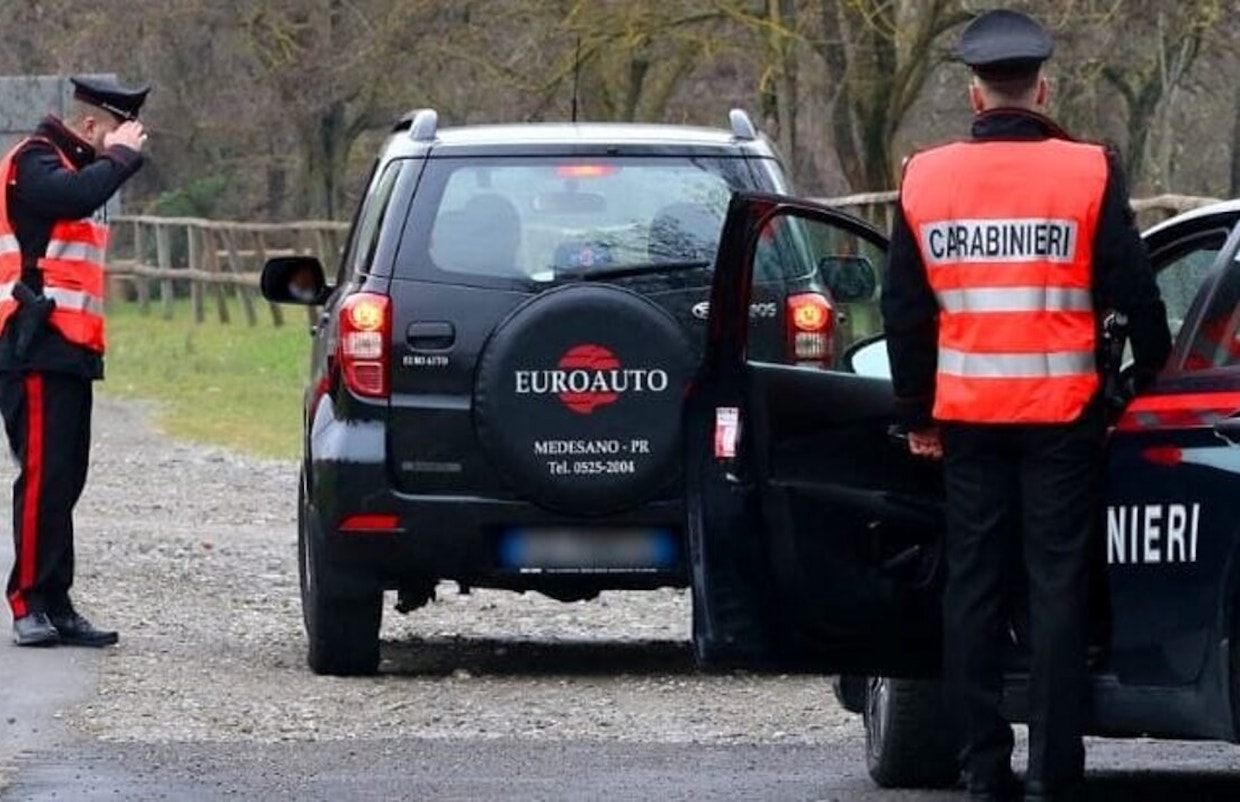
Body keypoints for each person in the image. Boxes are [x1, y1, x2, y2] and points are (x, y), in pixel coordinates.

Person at [881, 9, 1171, 802]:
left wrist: (917, 415)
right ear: (1042, 87)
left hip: (969, 419)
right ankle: (1054, 770)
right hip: (1064, 418)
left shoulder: (924, 176)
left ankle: (981, 767)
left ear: (975, 94)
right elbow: (1137, 291)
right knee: (1056, 588)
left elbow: (903, 310)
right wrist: (1153, 386)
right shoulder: (1088, 170)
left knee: (972, 587)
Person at [1, 75, 149, 647]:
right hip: (32, 341)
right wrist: (122, 158)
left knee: (65, 476)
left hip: (69, 345)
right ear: (89, 125)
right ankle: (28, 601)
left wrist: (115, 159)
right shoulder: (34, 160)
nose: (121, 145)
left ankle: (57, 601)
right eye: (114, 131)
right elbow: (75, 196)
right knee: (42, 477)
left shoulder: (73, 167)